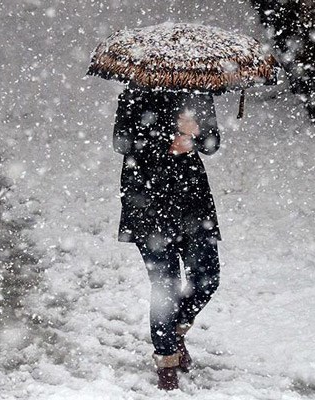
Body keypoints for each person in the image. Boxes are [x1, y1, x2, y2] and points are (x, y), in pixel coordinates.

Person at [112, 84, 221, 391]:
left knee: (207, 277)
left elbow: (212, 144)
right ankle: (166, 363)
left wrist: (196, 134)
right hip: (147, 200)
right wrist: (169, 137)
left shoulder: (198, 92)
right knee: (166, 286)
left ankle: (173, 332)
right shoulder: (134, 93)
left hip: (192, 201)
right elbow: (122, 142)